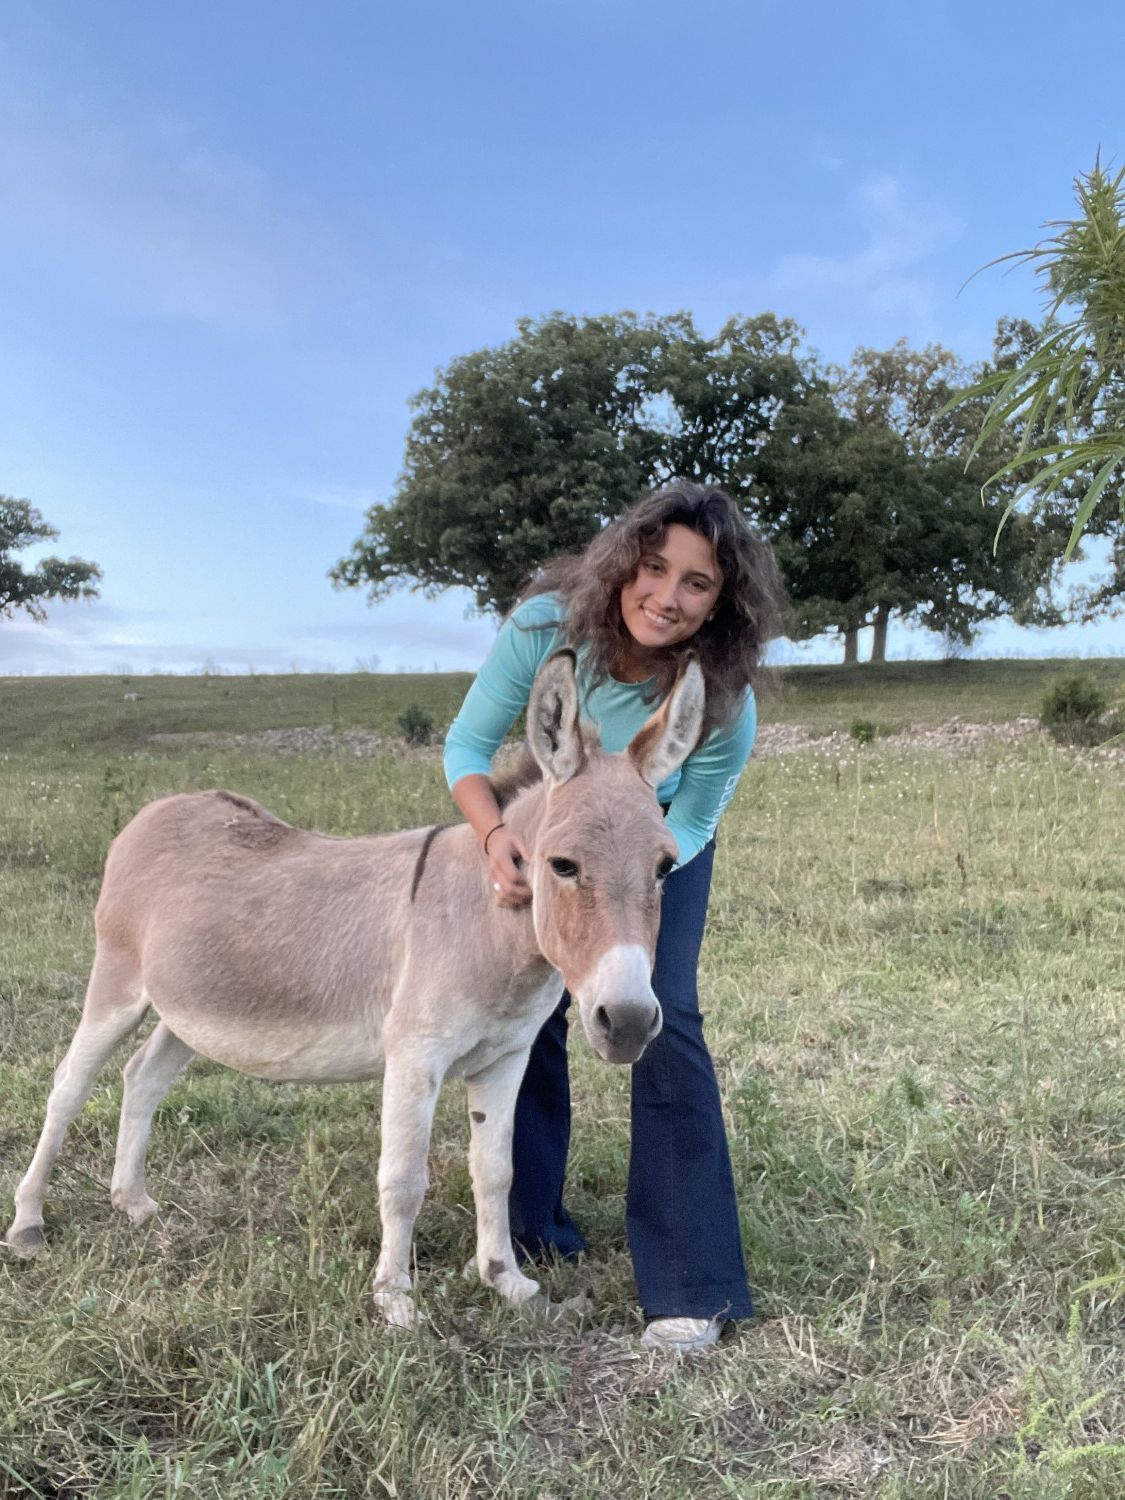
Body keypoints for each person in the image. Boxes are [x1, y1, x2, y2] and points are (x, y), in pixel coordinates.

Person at [443, 480, 784, 1351]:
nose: (665, 597)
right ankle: (527, 1230)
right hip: (545, 836)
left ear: (722, 602)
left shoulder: (724, 701)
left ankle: (690, 1283)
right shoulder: (541, 631)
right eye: (654, 566)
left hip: (650, 849)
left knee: (665, 1017)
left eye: (696, 584)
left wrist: (642, 878)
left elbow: (696, 817)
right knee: (533, 1008)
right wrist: (494, 842)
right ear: (623, 561)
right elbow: (467, 749)